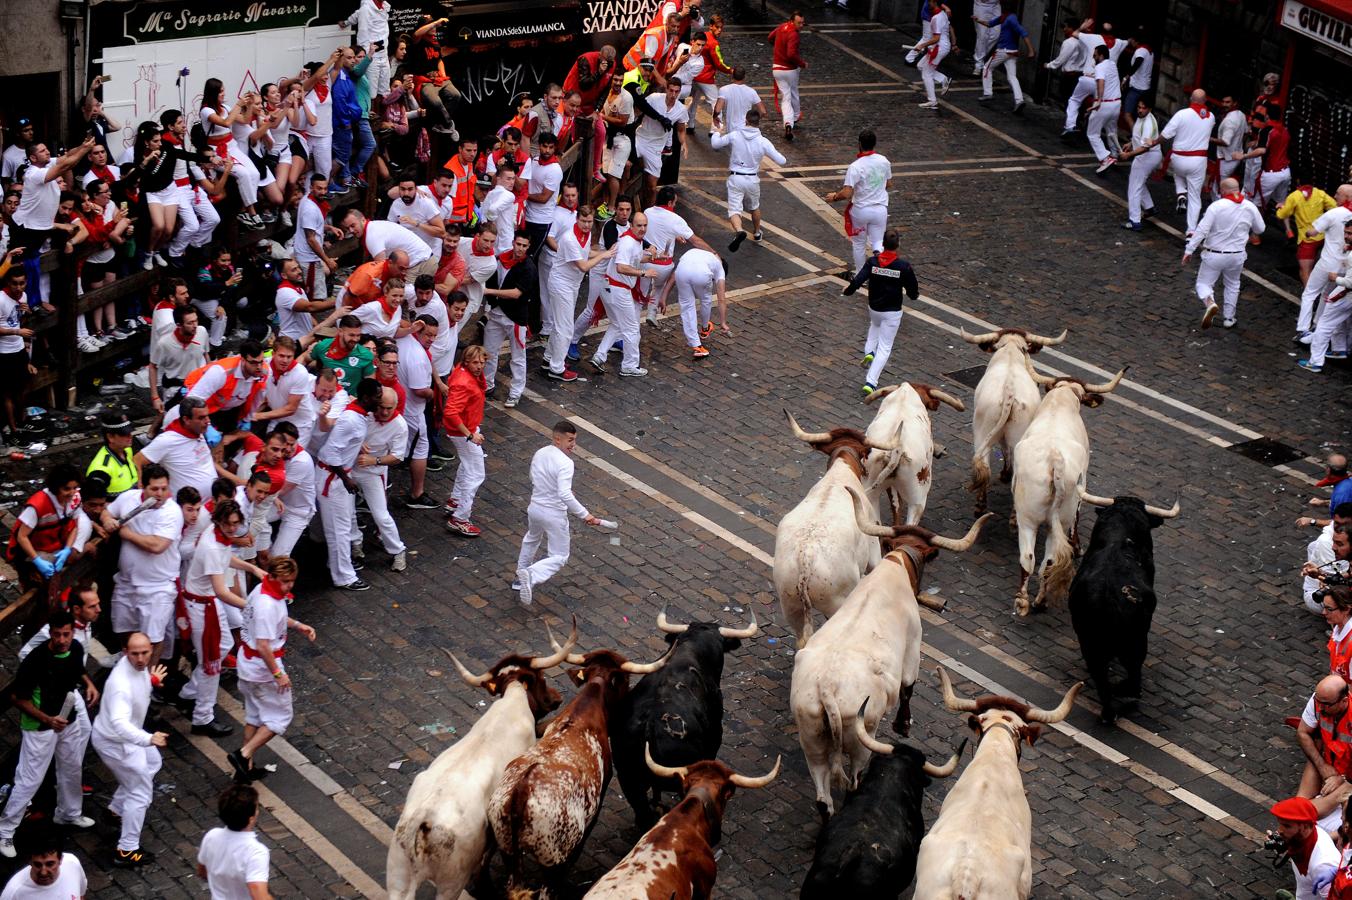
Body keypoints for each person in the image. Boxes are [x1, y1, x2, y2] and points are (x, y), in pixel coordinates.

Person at [0, 610, 97, 860]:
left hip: (67, 719)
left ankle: (69, 812)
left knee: (71, 766)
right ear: (50, 632)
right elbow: (18, 698)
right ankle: (6, 828)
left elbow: (77, 669)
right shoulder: (36, 660)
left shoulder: (75, 647)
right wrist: (47, 720)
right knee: (30, 779)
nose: (62, 639)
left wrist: (89, 683)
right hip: (40, 726)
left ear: (71, 632)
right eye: (57, 635)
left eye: (66, 634)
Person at [178, 500, 265, 733]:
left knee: (225, 645)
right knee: (212, 662)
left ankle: (189, 693)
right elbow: (221, 590)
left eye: (236, 524)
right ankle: (202, 717)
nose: (233, 529)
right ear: (218, 522)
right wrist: (251, 606)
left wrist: (253, 569)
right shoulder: (212, 545)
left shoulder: (216, 535)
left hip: (206, 603)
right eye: (228, 524)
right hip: (202, 606)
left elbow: (224, 558)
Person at [227, 557, 315, 783]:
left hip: (247, 665)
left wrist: (297, 625)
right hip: (262, 669)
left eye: (292, 581)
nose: (289, 586)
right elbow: (264, 645)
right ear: (273, 577)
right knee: (280, 717)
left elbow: (279, 618)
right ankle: (243, 754)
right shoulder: (266, 605)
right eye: (285, 581)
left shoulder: (261, 591)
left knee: (255, 716)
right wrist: (278, 674)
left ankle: (244, 768)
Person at [91, 632, 167, 869]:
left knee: (153, 763)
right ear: (126, 652)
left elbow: (139, 686)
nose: (141, 659)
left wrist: (151, 681)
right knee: (140, 793)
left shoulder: (137, 667)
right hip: (118, 743)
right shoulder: (120, 685)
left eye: (145, 652)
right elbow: (120, 724)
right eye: (135, 654)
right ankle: (127, 849)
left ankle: (115, 810)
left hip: (127, 739)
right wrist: (148, 738)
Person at [515, 421, 602, 605]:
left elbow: (533, 477)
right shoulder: (566, 463)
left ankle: (520, 576)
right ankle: (531, 574)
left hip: (535, 508)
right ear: (557, 439)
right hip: (554, 514)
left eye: (574, 440)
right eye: (570, 440)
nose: (573, 445)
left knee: (532, 538)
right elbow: (564, 494)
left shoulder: (540, 453)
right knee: (560, 556)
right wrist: (585, 514)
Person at [104, 463, 182, 663]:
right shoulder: (128, 498)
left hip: (158, 586)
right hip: (126, 582)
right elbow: (107, 512)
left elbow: (157, 545)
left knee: (152, 640)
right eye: (154, 489)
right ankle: (127, 665)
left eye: (164, 489)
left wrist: (125, 532)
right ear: (143, 486)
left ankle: (148, 680)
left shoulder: (172, 512)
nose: (160, 494)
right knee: (123, 630)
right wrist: (107, 520)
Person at [317, 377, 379, 590]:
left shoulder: (356, 415)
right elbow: (330, 452)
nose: (379, 401)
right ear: (366, 397)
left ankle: (338, 565)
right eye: (376, 397)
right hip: (334, 479)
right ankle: (344, 576)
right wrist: (346, 479)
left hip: (335, 477)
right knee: (339, 529)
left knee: (340, 527)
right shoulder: (351, 419)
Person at [842, 230, 920, 396]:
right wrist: (913, 295)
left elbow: (858, 280)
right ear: (898, 245)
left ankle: (869, 353)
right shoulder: (903, 266)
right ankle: (871, 382)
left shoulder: (873, 262)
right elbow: (913, 291)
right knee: (884, 348)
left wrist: (848, 291)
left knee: (874, 327)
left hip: (874, 308)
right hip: (892, 312)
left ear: (882, 244)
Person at [1181, 177, 1264, 329]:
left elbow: (1202, 230)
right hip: (1237, 255)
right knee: (1233, 285)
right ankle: (1229, 318)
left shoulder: (1217, 206)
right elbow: (1260, 229)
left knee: (1203, 283)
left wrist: (1189, 250)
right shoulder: (1250, 206)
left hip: (1215, 254)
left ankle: (1210, 303)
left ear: (1223, 190)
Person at [544, 205, 613, 382]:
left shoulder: (585, 235)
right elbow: (583, 265)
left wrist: (602, 252)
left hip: (572, 284)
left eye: (590, 221)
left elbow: (586, 252)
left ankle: (549, 358)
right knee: (565, 328)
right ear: (577, 220)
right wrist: (604, 256)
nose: (587, 225)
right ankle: (556, 368)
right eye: (583, 221)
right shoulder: (569, 238)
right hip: (562, 284)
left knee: (561, 324)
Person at [591, 211, 658, 377]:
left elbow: (634, 258)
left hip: (611, 288)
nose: (642, 229)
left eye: (645, 225)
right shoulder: (628, 242)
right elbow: (622, 267)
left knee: (617, 324)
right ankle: (629, 365)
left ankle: (599, 356)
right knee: (631, 328)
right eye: (639, 225)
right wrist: (643, 274)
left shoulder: (633, 241)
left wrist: (652, 258)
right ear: (632, 225)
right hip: (618, 290)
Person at [711, 108, 785, 251]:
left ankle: (739, 230)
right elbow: (781, 160)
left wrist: (716, 132)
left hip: (735, 178)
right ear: (759, 122)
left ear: (746, 120)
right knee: (754, 207)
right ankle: (757, 232)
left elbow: (715, 144)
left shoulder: (735, 135)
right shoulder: (763, 142)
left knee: (734, 210)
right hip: (752, 180)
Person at [481, 234, 540, 407]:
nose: (520, 248)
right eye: (518, 244)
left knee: (518, 357)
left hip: (515, 318)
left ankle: (515, 392)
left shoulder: (529, 268)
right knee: (489, 352)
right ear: (513, 243)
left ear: (528, 247)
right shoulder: (500, 259)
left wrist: (488, 292)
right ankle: (487, 385)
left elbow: (516, 293)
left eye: (524, 245)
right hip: (496, 313)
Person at [354, 386, 409, 568]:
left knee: (381, 515)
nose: (384, 412)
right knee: (346, 513)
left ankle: (397, 550)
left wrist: (374, 460)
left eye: (389, 409)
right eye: (381, 407)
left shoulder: (400, 425)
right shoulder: (365, 413)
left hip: (373, 472)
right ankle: (355, 544)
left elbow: (397, 457)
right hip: (349, 468)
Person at [825, 130, 893, 274]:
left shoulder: (855, 166)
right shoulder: (884, 161)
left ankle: (861, 274)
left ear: (859, 144)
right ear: (874, 144)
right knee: (878, 241)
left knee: (859, 243)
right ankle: (882, 271)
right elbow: (888, 184)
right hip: (880, 209)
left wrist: (835, 197)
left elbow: (847, 192)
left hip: (861, 210)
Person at [5, 464, 81, 586]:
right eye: (67, 489)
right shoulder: (38, 505)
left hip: (55, 547)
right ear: (56, 488)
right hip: (32, 551)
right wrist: (37, 560)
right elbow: (22, 536)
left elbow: (75, 527)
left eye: (75, 488)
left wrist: (67, 548)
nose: (72, 493)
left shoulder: (75, 498)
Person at [1295, 184, 1352, 345]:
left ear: (1346, 197)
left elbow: (1312, 232)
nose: (1335, 196)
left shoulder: (1335, 213)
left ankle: (1302, 328)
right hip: (1345, 267)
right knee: (1327, 297)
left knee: (1310, 293)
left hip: (1327, 263)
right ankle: (1317, 327)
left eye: (1338, 194)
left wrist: (1307, 230)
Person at [443, 346, 488, 538]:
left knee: (466, 464)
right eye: (476, 362)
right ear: (467, 362)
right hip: (464, 432)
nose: (480, 366)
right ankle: (460, 518)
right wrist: (470, 434)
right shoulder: (464, 382)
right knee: (476, 473)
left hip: (467, 428)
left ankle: (455, 500)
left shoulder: (460, 372)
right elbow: (451, 412)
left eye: (482, 362)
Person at [197, 784, 271, 898]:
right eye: (257, 808)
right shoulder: (256, 852)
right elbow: (258, 892)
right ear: (251, 818)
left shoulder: (211, 836)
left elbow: (202, 870)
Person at [397, 315, 439, 509]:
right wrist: (432, 393)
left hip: (399, 406)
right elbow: (419, 389)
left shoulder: (403, 338)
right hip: (412, 411)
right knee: (420, 450)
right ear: (419, 331)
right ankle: (417, 493)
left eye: (434, 335)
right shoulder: (419, 358)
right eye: (427, 334)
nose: (431, 339)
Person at [1161, 89, 1216, 233]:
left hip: (1179, 159)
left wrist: (1153, 142)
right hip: (1198, 161)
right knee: (1195, 197)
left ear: (1191, 99)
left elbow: (1166, 135)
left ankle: (1180, 194)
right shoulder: (1211, 117)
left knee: (1178, 173)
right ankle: (1191, 230)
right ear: (1205, 101)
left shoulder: (1182, 114)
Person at [1270, 796, 1340, 899]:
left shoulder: (1323, 865)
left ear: (1305, 826)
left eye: (1286, 826)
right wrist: (1280, 842)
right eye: (1280, 824)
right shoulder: (1308, 834)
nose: (1279, 830)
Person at [633, 79, 688, 210]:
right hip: (640, 138)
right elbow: (637, 112)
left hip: (656, 147)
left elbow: (681, 130)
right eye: (671, 90)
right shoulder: (654, 98)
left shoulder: (681, 110)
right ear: (666, 89)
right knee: (627, 167)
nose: (673, 94)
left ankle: (648, 215)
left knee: (652, 186)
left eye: (676, 92)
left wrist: (684, 143)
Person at [148, 305, 209, 415]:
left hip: (197, 386)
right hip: (174, 389)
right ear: (179, 325)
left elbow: (206, 354)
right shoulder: (164, 344)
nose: (195, 326)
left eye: (196, 321)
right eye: (190, 323)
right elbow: (153, 366)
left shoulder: (202, 332)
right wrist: (155, 397)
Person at [976, 1, 1034, 113]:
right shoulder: (1004, 17)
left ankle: (988, 93)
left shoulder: (1011, 18)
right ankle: (1019, 100)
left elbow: (1024, 33)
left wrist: (1031, 50)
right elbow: (990, 24)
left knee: (987, 68)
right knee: (1012, 77)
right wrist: (978, 20)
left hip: (1004, 50)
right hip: (1012, 52)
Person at [1278, 182, 1338, 290]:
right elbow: (1334, 206)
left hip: (1307, 240)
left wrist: (1280, 207)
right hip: (1322, 236)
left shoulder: (1294, 196)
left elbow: (1282, 214)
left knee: (1305, 271)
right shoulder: (1320, 193)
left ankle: (1310, 295)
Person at [1, 823, 88, 896]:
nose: (43, 872)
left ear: (60, 859)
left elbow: (80, 895)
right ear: (29, 861)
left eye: (50, 864)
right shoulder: (13, 893)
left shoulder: (73, 863)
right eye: (37, 864)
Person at [673, 248, 729, 358]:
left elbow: (673, 276)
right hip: (701, 273)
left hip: (681, 271)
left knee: (687, 306)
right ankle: (704, 328)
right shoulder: (720, 269)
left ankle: (696, 346)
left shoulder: (700, 253)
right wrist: (723, 322)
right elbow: (721, 299)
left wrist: (664, 296)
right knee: (706, 300)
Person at [299, 314, 375, 395]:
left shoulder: (365, 355)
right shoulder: (323, 346)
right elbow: (304, 358)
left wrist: (358, 400)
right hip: (325, 396)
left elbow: (370, 385)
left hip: (349, 402)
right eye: (351, 335)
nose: (356, 339)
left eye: (358, 335)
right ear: (340, 332)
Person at [294, 174, 341, 300]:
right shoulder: (310, 209)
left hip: (309, 256)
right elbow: (310, 239)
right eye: (319, 188)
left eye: (325, 188)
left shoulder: (307, 199)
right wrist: (327, 260)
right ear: (311, 187)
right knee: (315, 297)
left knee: (313, 293)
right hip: (309, 259)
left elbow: (314, 226)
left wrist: (330, 228)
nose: (323, 192)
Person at [1119, 98, 1162, 231]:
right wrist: (1131, 143)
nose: (1140, 110)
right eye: (1139, 107)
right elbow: (1139, 135)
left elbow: (1145, 147)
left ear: (1149, 109)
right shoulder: (1142, 117)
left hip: (1146, 156)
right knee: (1138, 181)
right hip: (1146, 156)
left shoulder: (1148, 123)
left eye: (1143, 108)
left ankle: (1135, 221)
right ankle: (1149, 208)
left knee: (1134, 187)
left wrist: (1128, 155)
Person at [767, 11, 807, 139]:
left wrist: (778, 47)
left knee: (785, 96)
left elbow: (770, 37)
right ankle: (793, 118)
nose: (801, 25)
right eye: (799, 23)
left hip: (777, 69)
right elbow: (791, 54)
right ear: (792, 21)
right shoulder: (793, 34)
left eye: (802, 23)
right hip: (789, 70)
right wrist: (802, 63)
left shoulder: (781, 27)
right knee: (793, 93)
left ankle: (789, 122)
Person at [274, 260, 336, 342]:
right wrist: (336, 302)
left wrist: (315, 327)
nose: (299, 271)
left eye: (298, 267)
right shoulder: (285, 292)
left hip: (304, 339)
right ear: (284, 276)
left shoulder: (298, 289)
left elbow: (307, 313)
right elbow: (309, 307)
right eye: (294, 270)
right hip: (293, 342)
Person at [523, 133, 564, 257]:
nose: (547, 150)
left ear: (555, 148)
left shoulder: (555, 170)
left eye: (551, 147)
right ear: (539, 146)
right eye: (545, 146)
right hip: (526, 216)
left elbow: (543, 198)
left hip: (541, 221)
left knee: (531, 257)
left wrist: (523, 195)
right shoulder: (533, 161)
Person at [1085, 45, 1122, 175]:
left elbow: (1101, 82)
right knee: (1111, 131)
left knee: (1092, 133)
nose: (1093, 57)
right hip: (1116, 103)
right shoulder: (1112, 64)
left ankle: (1105, 158)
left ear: (1101, 56)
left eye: (1095, 55)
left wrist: (1099, 101)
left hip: (1104, 104)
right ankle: (1115, 155)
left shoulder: (1100, 67)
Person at [85, 414, 139, 499]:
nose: (130, 436)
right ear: (110, 437)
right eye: (124, 434)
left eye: (130, 432)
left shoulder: (127, 450)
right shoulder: (102, 469)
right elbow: (93, 502)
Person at [914, 3, 954, 111]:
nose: (927, 4)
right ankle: (943, 79)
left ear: (934, 2)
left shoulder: (936, 18)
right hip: (940, 47)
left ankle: (932, 101)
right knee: (921, 66)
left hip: (939, 48)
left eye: (929, 1)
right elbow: (950, 25)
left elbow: (936, 38)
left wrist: (922, 45)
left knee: (926, 74)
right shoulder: (943, 14)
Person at [714, 66, 767, 133]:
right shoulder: (751, 91)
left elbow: (718, 109)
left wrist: (715, 117)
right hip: (747, 129)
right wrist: (754, 120)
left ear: (732, 76)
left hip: (732, 130)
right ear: (744, 77)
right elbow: (763, 111)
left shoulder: (724, 90)